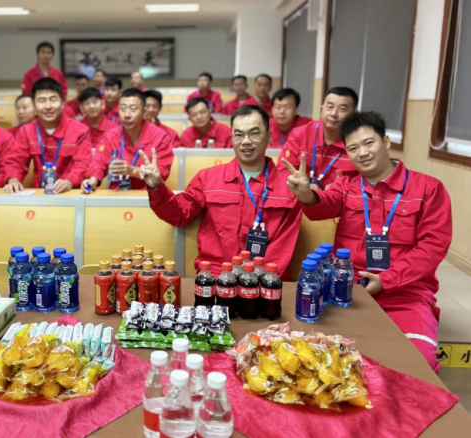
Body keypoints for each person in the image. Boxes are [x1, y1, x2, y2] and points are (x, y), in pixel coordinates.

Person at [283, 111, 452, 372]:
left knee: (418, 362)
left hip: (406, 294)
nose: (362, 153)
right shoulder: (346, 186)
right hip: (348, 289)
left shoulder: (428, 189)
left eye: (369, 143)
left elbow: (433, 246)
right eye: (353, 148)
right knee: (323, 359)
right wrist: (306, 193)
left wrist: (387, 279)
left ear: (386, 141)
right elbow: (323, 205)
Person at [139, 105, 301, 276]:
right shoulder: (208, 178)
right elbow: (178, 214)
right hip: (216, 276)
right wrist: (157, 187)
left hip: (267, 280)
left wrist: (254, 280)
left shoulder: (288, 187)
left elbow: (282, 250)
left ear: (268, 137)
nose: (246, 141)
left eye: (254, 133)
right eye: (238, 134)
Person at [2, 78, 92, 194]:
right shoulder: (26, 131)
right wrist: (13, 180)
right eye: (42, 100)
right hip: (40, 195)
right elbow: (15, 161)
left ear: (62, 103)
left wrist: (69, 182)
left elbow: (83, 163)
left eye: (53, 99)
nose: (48, 106)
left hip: (71, 193)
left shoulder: (80, 131)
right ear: (34, 106)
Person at [80, 88, 173, 192]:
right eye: (123, 109)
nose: (127, 115)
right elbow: (98, 162)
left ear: (144, 111)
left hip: (149, 194)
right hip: (117, 194)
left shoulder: (160, 137)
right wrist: (92, 180)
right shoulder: (111, 136)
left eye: (133, 109)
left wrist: (132, 171)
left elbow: (162, 172)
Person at [277, 86, 359, 189]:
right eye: (330, 107)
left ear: (353, 114)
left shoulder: (358, 143)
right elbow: (283, 171)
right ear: (322, 108)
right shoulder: (300, 134)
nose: (334, 114)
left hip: (339, 198)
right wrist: (298, 183)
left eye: (342, 109)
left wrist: (339, 189)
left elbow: (363, 181)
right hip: (298, 195)